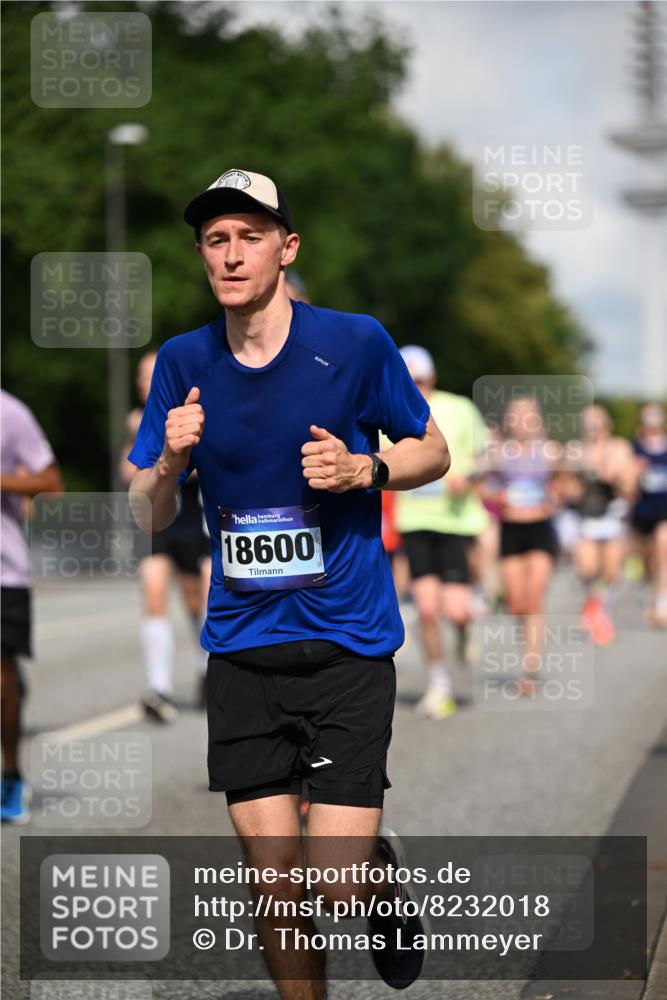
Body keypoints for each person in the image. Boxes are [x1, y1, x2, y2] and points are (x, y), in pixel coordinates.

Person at [127, 168, 450, 997]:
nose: (231, 255)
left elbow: (431, 450)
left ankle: (374, 876)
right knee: (275, 883)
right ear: (203, 255)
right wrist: (169, 458)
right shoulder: (184, 360)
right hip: (241, 649)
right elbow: (147, 513)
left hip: (346, 643)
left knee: (333, 884)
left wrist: (363, 467)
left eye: (249, 236)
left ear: (286, 246)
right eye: (215, 240)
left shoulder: (352, 342)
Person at [394, 346, 489, 719]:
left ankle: (465, 628)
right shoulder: (391, 413)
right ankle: (438, 682)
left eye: (420, 380)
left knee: (456, 608)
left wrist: (468, 477)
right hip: (415, 522)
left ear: (432, 378)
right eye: (408, 381)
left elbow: (486, 454)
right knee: (428, 609)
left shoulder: (460, 408)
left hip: (455, 523)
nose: (414, 388)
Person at [120, 351, 211, 720]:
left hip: (191, 518)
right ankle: (159, 687)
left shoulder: (192, 414)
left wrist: (171, 465)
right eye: (141, 375)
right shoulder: (136, 421)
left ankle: (208, 669)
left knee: (195, 602)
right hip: (154, 521)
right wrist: (156, 469)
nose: (146, 381)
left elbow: (200, 469)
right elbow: (127, 473)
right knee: (154, 592)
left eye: (152, 374)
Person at [1, 390, 63, 823]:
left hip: (4, 571)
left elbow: (51, 483)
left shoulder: (10, 412)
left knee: (2, 677)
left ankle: (9, 773)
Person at [478, 396, 560, 696]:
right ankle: (523, 636)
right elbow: (482, 486)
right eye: (517, 414)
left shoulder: (551, 451)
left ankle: (530, 667)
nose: (523, 419)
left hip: (541, 529)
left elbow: (568, 486)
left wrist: (557, 495)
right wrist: (495, 498)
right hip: (511, 529)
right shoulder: (499, 452)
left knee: (535, 596)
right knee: (517, 603)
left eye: (528, 414)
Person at [568, 405, 636, 645]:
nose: (593, 428)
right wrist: (579, 478)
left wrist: (615, 476)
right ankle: (593, 607)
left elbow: (630, 487)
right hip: (585, 515)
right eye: (588, 423)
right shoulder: (576, 450)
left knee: (611, 572)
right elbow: (566, 490)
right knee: (587, 568)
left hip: (612, 515)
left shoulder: (619, 447)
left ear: (607, 425)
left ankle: (599, 610)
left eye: (597, 422)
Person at [632, 403, 667, 627]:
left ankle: (661, 603)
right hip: (643, 511)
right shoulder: (634, 448)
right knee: (649, 559)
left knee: (664, 548)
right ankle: (651, 588)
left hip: (665, 509)